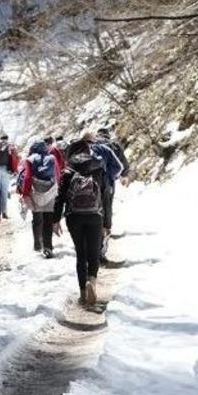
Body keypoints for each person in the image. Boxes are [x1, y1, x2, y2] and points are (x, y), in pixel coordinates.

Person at [53, 139, 111, 307]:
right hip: (95, 215)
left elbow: (60, 198)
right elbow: (106, 196)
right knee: (94, 253)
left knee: (81, 254)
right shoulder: (98, 168)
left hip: (74, 217)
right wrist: (107, 222)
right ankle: (91, 281)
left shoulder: (68, 171)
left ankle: (83, 293)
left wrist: (56, 220)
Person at [83, 130, 125, 261]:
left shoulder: (77, 150)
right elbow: (119, 167)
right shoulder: (104, 149)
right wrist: (108, 176)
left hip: (83, 189)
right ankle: (100, 251)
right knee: (103, 215)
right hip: (104, 187)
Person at [18, 141, 58, 258]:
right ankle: (48, 247)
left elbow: (28, 177)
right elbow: (56, 175)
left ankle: (37, 245)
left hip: (36, 190)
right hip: (50, 190)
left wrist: (25, 193)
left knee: (37, 218)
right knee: (48, 220)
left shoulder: (29, 160)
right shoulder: (52, 158)